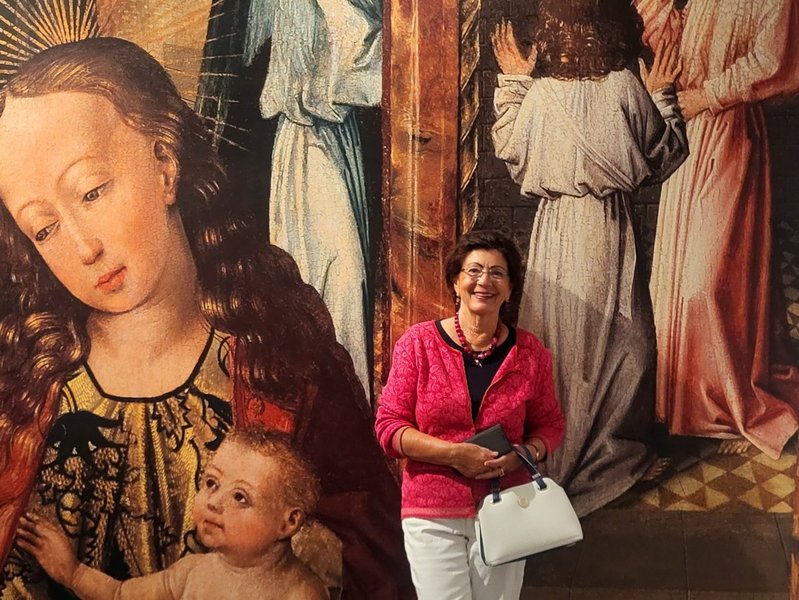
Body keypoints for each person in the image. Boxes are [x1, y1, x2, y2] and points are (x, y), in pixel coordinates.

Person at [0, 37, 412, 600]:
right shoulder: (26, 397)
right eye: (44, 229)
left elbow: (377, 556)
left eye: (92, 192)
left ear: (165, 164)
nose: (84, 247)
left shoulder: (284, 367)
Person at [490, 0, 688, 516]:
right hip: (606, 228)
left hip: (557, 232)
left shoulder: (545, 93)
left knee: (567, 341)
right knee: (618, 341)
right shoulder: (624, 86)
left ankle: (565, 456)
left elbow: (510, 148)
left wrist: (514, 82)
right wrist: (662, 94)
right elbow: (666, 153)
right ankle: (603, 456)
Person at [637, 0, 799, 458]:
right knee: (675, 281)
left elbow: (772, 61)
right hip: (686, 136)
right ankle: (680, 406)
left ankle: (723, 401)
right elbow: (670, 51)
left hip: (731, 133)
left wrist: (705, 97)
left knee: (707, 281)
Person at [374, 230, 566, 600]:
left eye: (497, 273)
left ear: (510, 289)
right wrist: (453, 455)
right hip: (432, 512)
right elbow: (389, 427)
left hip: (507, 508)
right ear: (455, 282)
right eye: (474, 270)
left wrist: (524, 454)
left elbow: (550, 425)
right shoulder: (418, 344)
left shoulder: (530, 353)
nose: (484, 281)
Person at [240, 0, 383, 395]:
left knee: (342, 275)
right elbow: (364, 59)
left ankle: (347, 397)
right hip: (306, 142)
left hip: (333, 137)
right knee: (334, 270)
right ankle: (333, 397)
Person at [16, 429, 328, 599]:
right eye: (211, 483)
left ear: (288, 522)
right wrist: (74, 573)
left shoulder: (302, 593)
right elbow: (119, 595)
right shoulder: (192, 572)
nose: (213, 502)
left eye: (240, 497)